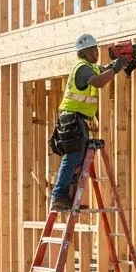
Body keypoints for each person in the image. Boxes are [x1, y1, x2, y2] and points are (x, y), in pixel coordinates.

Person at [50, 34, 124, 212]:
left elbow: (102, 70)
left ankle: (68, 199)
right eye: (93, 50)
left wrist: (116, 65)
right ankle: (58, 197)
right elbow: (98, 82)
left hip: (77, 119)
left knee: (79, 159)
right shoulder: (82, 67)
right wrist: (116, 69)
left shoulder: (90, 67)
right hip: (71, 119)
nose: (96, 53)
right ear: (84, 52)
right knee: (73, 157)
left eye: (96, 50)